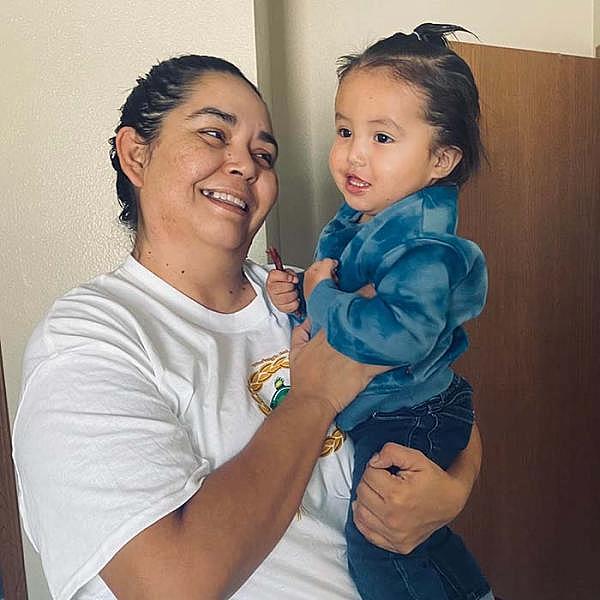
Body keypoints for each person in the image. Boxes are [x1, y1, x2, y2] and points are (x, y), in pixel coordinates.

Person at [12, 54, 484, 600]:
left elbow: (434, 391)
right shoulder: (91, 337)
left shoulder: (305, 293)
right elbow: (170, 586)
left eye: (264, 153)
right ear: (136, 154)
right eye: (214, 134)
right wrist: (315, 397)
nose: (246, 165)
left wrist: (453, 488)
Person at [267, 23, 492, 600]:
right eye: (344, 130)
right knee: (420, 542)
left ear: (441, 159)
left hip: (412, 412)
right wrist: (298, 298)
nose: (353, 153)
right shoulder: (360, 224)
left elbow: (400, 334)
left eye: (383, 138)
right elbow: (334, 312)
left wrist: (321, 296)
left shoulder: (422, 245)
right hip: (397, 409)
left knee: (379, 548)